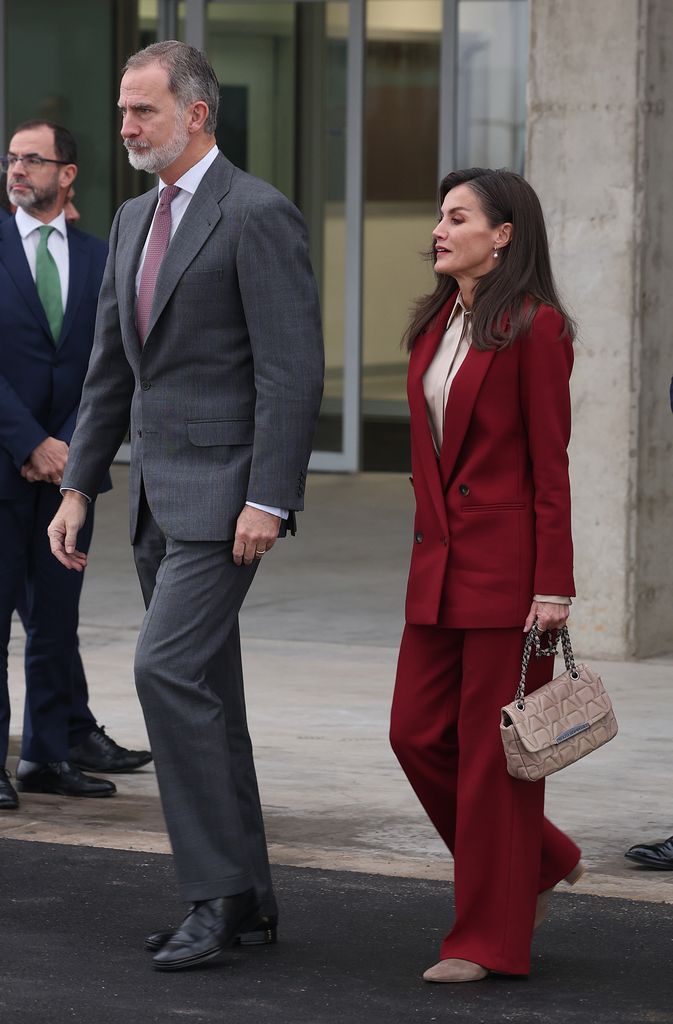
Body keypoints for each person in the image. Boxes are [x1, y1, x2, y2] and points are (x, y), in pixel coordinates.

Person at [48, 41, 324, 972]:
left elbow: (291, 372)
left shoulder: (256, 214)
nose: (126, 127)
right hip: (158, 503)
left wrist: (270, 498)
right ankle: (249, 899)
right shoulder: (130, 219)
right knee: (210, 697)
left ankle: (212, 894)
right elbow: (109, 369)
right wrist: (80, 484)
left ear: (196, 114)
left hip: (226, 504)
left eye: (143, 111)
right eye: (123, 111)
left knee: (164, 673)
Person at [389, 167, 585, 984]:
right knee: (414, 734)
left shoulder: (535, 329)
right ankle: (540, 860)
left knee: (490, 760)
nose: (439, 228)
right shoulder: (437, 323)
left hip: (510, 579)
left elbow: (550, 465)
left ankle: (485, 940)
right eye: (439, 215)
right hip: (437, 566)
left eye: (457, 216)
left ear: (502, 235)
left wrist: (554, 583)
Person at [0, 121, 151, 812]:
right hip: (7, 462)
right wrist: (31, 440)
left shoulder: (101, 256)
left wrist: (70, 451)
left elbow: (109, 366)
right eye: (12, 158)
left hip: (72, 477)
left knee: (57, 620)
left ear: (68, 175)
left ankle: (47, 756)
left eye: (33, 158)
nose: (18, 168)